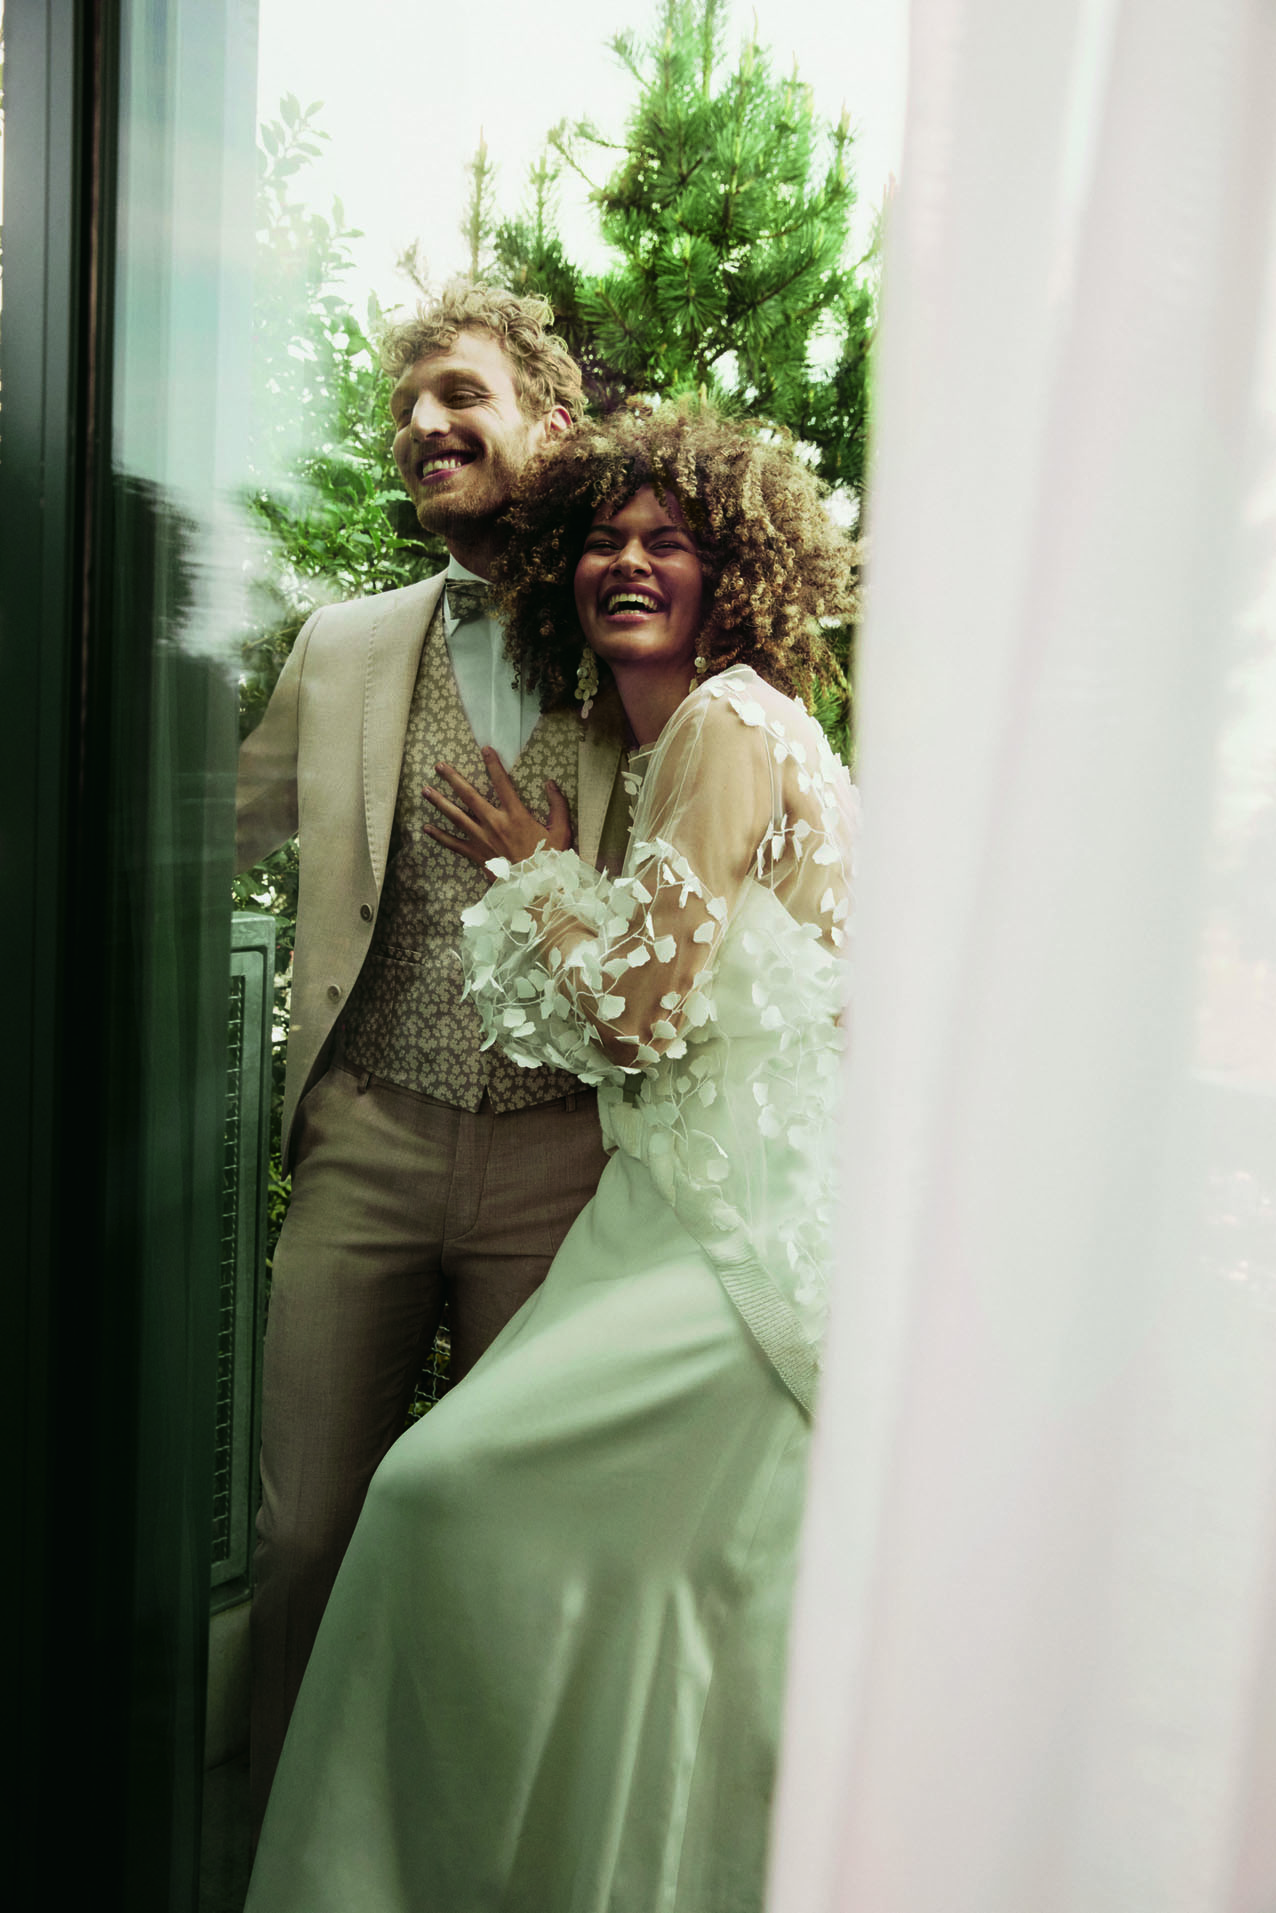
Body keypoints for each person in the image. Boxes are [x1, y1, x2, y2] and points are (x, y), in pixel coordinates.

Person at [244, 403, 861, 1912]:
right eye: (605, 539)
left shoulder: (723, 723)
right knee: (666, 1597)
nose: (629, 562)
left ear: (738, 570)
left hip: (724, 1237)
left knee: (440, 1494)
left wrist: (536, 874)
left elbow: (640, 1019)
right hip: (687, 1207)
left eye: (670, 541)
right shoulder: (712, 731)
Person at [234, 281, 631, 1829]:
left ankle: (471, 1850)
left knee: (511, 1536)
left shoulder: (633, 628)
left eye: (460, 393)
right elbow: (219, 828)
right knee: (304, 1536)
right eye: (406, 406)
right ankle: (283, 1843)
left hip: (566, 1159)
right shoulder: (342, 645)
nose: (422, 425)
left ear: (551, 422)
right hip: (369, 1140)